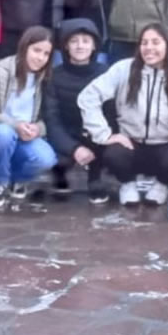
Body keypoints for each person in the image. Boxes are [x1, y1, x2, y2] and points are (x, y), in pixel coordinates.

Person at [77, 23, 168, 206]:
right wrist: (104, 134)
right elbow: (88, 97)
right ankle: (127, 184)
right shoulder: (124, 69)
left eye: (156, 42)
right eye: (144, 42)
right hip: (131, 144)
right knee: (114, 154)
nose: (149, 48)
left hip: (167, 146)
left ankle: (161, 185)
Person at [0, 26, 59, 204]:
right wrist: (14, 125)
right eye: (36, 50)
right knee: (4, 134)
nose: (40, 57)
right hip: (1, 132)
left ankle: (16, 180)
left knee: (46, 159)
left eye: (46, 54)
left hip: (25, 136)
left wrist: (37, 129)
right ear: (24, 47)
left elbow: (47, 117)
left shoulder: (44, 78)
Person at [43, 18, 110, 203]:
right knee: (56, 156)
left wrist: (97, 141)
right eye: (74, 41)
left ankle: (96, 177)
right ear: (65, 46)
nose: (80, 46)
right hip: (67, 135)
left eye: (86, 41)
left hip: (97, 136)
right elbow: (52, 118)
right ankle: (60, 173)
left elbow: (111, 115)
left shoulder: (106, 74)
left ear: (94, 46)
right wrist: (74, 148)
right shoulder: (54, 76)